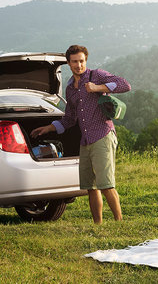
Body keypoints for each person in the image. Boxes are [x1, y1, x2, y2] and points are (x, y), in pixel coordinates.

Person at [31, 44, 131, 223]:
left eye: (82, 61)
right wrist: (49, 128)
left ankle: (119, 223)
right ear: (69, 63)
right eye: (75, 62)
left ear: (86, 61)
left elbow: (125, 85)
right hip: (85, 140)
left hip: (103, 135)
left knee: (106, 184)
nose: (79, 65)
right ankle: (97, 225)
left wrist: (98, 88)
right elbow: (69, 118)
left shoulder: (96, 75)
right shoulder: (70, 89)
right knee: (90, 187)